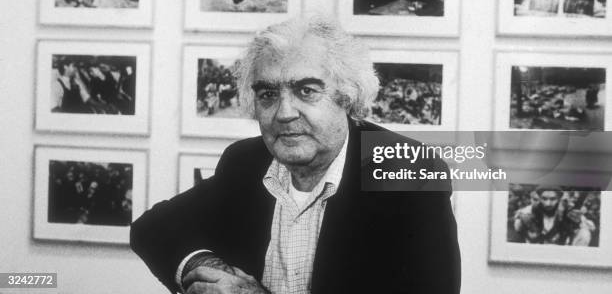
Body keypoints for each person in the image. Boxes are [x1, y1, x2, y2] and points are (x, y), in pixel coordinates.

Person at [130, 16, 460, 294]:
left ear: (346, 96)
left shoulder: (410, 172)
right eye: (268, 94)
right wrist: (204, 268)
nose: (284, 113)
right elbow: (153, 228)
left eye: (306, 91)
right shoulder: (245, 162)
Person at [513, 186, 596, 246]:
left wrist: (579, 221)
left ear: (559, 198)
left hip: (561, 248)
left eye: (552, 199)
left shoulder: (567, 209)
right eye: (544, 199)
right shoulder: (529, 211)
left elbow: (592, 227)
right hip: (537, 246)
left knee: (584, 233)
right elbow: (518, 228)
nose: (548, 203)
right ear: (540, 198)